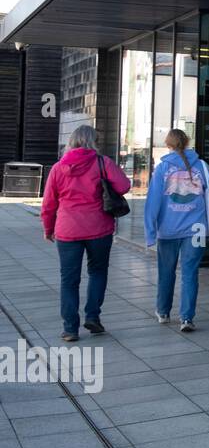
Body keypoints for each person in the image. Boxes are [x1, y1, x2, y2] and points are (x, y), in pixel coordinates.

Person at [41, 125, 131, 342]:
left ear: (72, 141)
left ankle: (70, 329)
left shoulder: (58, 168)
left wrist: (48, 228)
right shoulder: (103, 162)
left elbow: (49, 204)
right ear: (93, 141)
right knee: (97, 272)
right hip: (98, 228)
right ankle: (93, 317)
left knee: (69, 280)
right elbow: (125, 185)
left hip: (67, 230)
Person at [144, 128, 209, 332]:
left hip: (168, 229)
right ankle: (187, 318)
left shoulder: (163, 169)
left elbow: (152, 201)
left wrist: (150, 232)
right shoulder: (202, 165)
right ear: (187, 142)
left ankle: (163, 312)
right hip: (197, 229)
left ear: (169, 145)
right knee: (190, 273)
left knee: (166, 271)